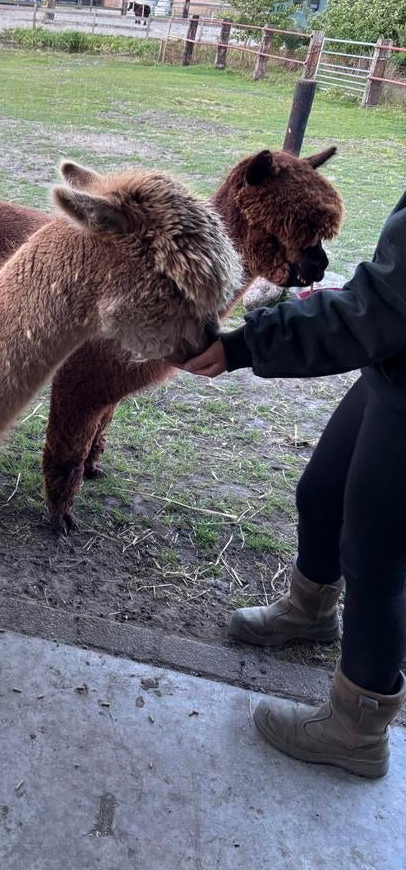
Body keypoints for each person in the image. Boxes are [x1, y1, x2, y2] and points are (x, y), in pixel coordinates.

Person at [180, 190, 406, 779]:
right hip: (396, 366)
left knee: (378, 559)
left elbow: (377, 307)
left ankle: (358, 728)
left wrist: (246, 343)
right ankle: (310, 613)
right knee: (322, 493)